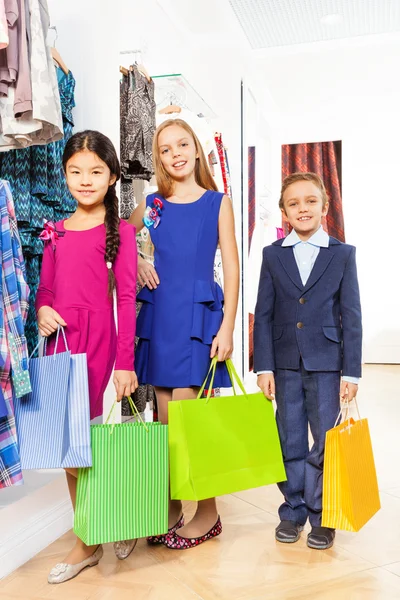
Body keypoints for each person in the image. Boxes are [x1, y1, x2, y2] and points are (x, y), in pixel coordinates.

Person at [128, 118, 239, 551]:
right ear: (160, 158)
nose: (175, 153)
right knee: (164, 420)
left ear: (195, 149)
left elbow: (231, 267)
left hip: (198, 318)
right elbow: (120, 232)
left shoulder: (217, 202)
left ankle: (208, 512)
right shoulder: (154, 204)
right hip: (160, 317)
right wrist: (138, 259)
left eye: (182, 144)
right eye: (166, 148)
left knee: (191, 421)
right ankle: (172, 506)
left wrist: (227, 325)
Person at [36, 130, 138, 583]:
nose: (85, 179)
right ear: (63, 175)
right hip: (62, 343)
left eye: (96, 172)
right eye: (75, 171)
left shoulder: (123, 232)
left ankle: (103, 525)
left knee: (95, 442)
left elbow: (127, 299)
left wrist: (125, 362)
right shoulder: (55, 231)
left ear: (112, 177)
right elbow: (46, 289)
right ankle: (90, 534)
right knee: (68, 446)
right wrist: (42, 309)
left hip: (100, 344)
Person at [254, 172, 362, 550]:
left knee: (327, 441)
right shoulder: (272, 255)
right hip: (283, 364)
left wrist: (352, 371)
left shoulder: (342, 254)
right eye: (294, 203)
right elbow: (263, 313)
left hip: (328, 363)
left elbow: (351, 315)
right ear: (284, 212)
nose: (303, 208)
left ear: (325, 207)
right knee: (290, 438)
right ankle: (294, 509)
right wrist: (263, 366)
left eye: (310, 201)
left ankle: (323, 515)